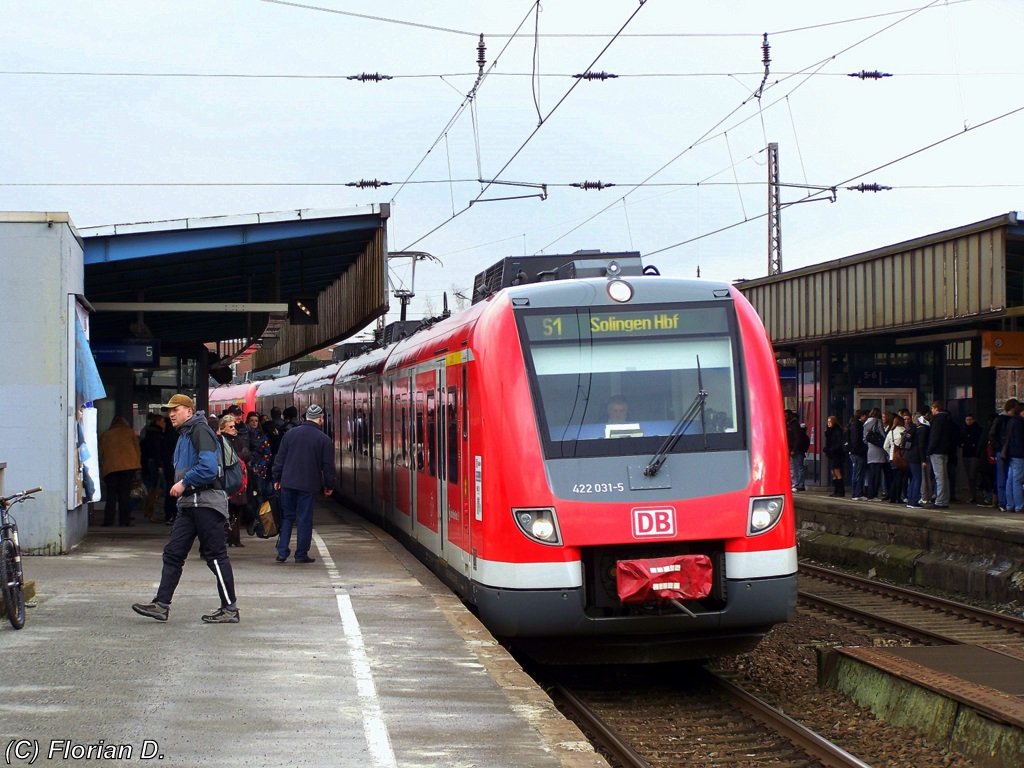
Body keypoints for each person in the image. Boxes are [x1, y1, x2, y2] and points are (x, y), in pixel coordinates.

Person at [132, 394, 239, 624]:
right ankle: (161, 605)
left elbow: (209, 468)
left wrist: (184, 482)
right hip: (190, 504)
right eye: (169, 410)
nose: (171, 414)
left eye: (176, 409)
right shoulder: (184, 435)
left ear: (189, 411)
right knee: (173, 553)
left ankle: (230, 608)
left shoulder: (199, 431)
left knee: (216, 556)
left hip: (206, 503)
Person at [272, 403, 337, 564]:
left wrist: (277, 479)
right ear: (320, 419)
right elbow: (328, 466)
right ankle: (301, 554)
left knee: (287, 517)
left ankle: (282, 551)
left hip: (288, 482)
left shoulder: (290, 434)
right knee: (304, 519)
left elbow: (280, 459)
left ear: (306, 417)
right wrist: (329, 486)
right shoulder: (324, 439)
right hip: (308, 485)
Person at [98, 415, 142, 527]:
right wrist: (137, 464)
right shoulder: (130, 432)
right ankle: (124, 521)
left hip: (111, 468)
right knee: (124, 495)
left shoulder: (106, 434)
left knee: (111, 495)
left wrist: (101, 464)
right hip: (128, 468)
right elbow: (137, 450)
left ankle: (108, 521)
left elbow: (101, 452)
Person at [218, 414, 247, 548]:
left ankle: (235, 538)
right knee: (227, 509)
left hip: (237, 479)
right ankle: (227, 537)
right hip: (229, 479)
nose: (233, 429)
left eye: (234, 426)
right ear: (223, 428)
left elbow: (247, 454)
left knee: (236, 509)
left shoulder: (237, 439)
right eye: (230, 426)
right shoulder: (222, 441)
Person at [988, 399, 1018, 513]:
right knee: (1004, 477)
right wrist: (999, 446)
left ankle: (1005, 502)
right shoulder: (1002, 419)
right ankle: (1003, 502)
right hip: (1003, 450)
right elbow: (992, 435)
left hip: (1005, 450)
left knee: (1005, 477)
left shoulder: (1002, 419)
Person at [927, 401, 954, 509]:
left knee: (939, 477)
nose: (932, 411)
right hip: (945, 451)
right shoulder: (948, 420)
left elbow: (934, 437)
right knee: (944, 477)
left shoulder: (937, 420)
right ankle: (945, 499)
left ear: (935, 408)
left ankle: (940, 501)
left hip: (936, 451)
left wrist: (929, 450)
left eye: (932, 409)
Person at [862, 408, 887, 501]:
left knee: (871, 474)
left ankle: (869, 494)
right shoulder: (878, 422)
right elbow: (883, 435)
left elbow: (864, 439)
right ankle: (874, 495)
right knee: (877, 474)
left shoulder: (866, 423)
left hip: (870, 450)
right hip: (878, 450)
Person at [884, 414, 907, 505]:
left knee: (894, 477)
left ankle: (892, 497)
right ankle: (898, 497)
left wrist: (891, 452)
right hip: (902, 457)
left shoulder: (891, 432)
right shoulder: (905, 431)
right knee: (900, 478)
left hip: (892, 458)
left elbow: (885, 446)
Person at [960, 413, 983, 504]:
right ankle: (972, 495)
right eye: (967, 420)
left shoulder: (978, 430)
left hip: (974, 455)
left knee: (973, 475)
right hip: (966, 454)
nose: (969, 421)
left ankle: (975, 495)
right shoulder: (963, 429)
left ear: (973, 420)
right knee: (969, 476)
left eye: (970, 420)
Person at [846, 410, 868, 500]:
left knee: (855, 473)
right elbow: (856, 441)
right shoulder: (858, 425)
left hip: (853, 453)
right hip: (858, 453)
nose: (866, 418)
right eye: (865, 416)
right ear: (862, 416)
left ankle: (855, 493)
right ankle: (857, 494)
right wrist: (862, 450)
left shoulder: (852, 424)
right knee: (859, 473)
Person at [785, 410, 809, 492]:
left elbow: (796, 438)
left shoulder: (793, 425)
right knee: (796, 467)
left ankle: (798, 484)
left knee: (796, 467)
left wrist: (794, 449)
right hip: (794, 449)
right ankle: (798, 484)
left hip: (796, 449)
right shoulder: (792, 424)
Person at [823, 415, 846, 497]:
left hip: (836, 454)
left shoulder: (837, 431)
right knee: (833, 472)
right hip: (831, 454)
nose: (828, 423)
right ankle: (836, 489)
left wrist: (832, 449)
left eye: (830, 422)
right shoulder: (829, 431)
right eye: (828, 422)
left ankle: (840, 490)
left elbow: (839, 443)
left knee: (837, 471)